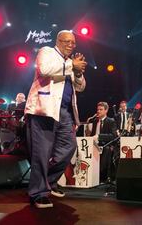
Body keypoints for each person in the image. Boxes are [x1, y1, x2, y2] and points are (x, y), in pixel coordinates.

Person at [24, 30, 87, 209]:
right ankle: (38, 192)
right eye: (67, 41)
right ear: (58, 41)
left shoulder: (70, 62)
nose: (71, 45)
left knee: (69, 147)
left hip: (65, 112)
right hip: (44, 110)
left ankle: (48, 181)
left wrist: (79, 73)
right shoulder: (47, 52)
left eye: (73, 42)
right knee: (41, 153)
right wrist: (71, 66)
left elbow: (80, 87)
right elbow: (44, 70)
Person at [86, 102, 117, 182]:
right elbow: (92, 135)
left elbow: (113, 136)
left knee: (106, 150)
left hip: (105, 145)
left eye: (101, 109)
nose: (98, 111)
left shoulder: (111, 121)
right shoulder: (95, 121)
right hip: (95, 145)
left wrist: (99, 136)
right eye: (98, 109)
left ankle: (102, 176)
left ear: (106, 110)